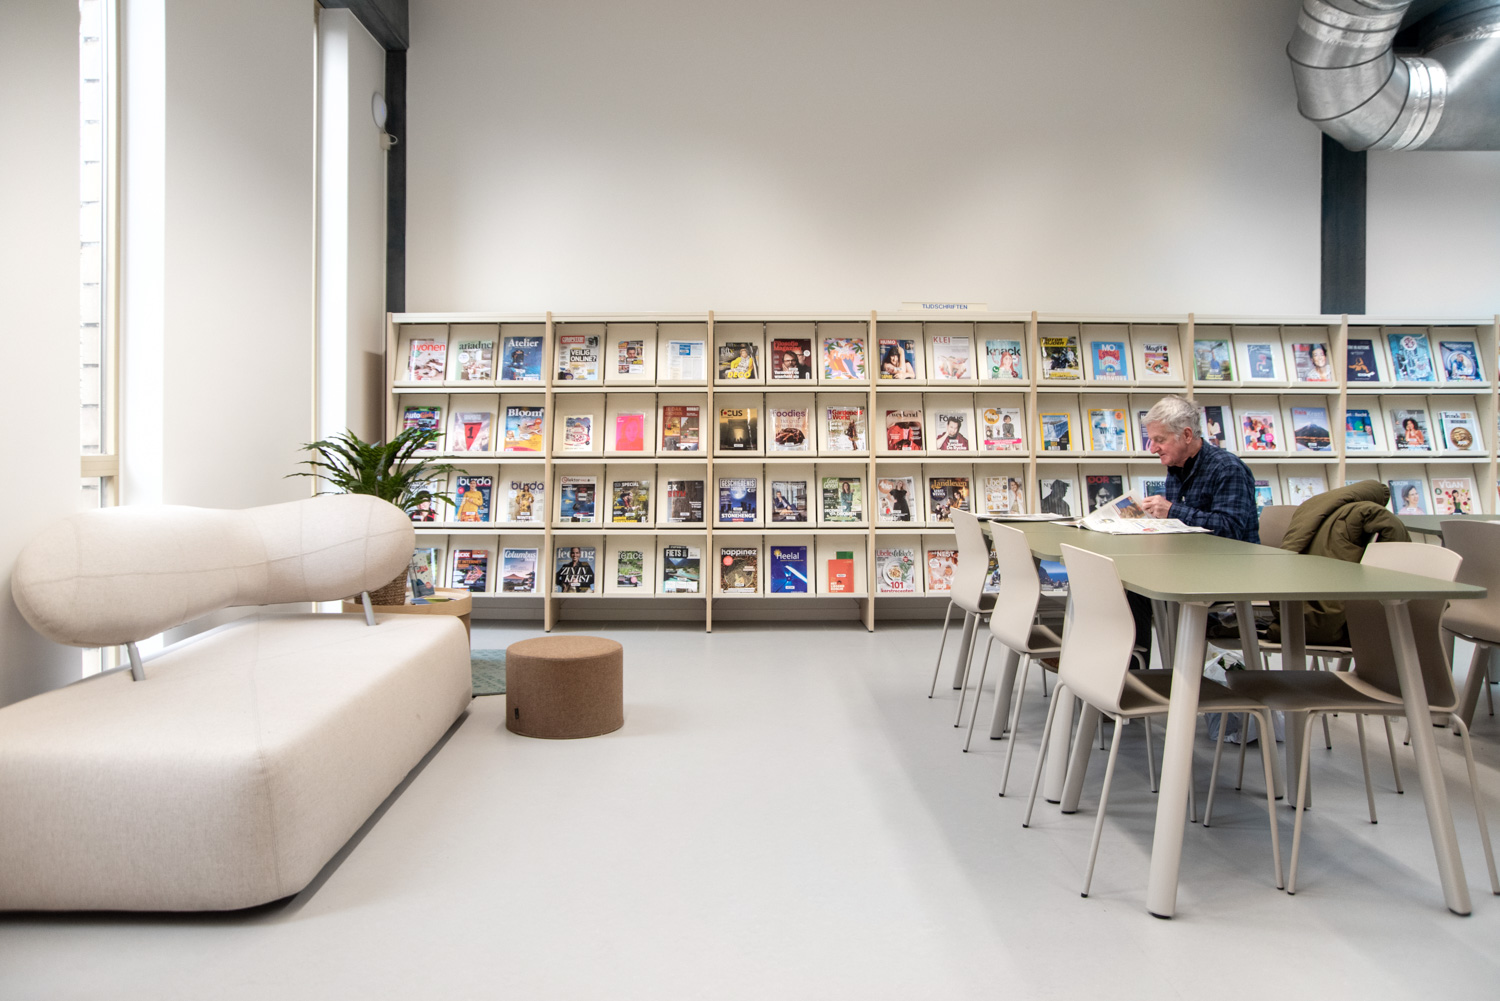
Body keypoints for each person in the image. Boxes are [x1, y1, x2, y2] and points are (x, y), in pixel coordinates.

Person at [1134, 395, 1260, 649]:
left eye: (1160, 440)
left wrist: (1172, 511)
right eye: (1151, 440)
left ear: (1187, 435)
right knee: (1125, 584)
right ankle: (1133, 669)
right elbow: (1182, 527)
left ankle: (1143, 669)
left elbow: (1230, 530)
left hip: (1227, 571)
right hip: (1189, 565)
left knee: (1135, 593)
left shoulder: (1227, 468)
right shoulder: (1177, 467)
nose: (1152, 448)